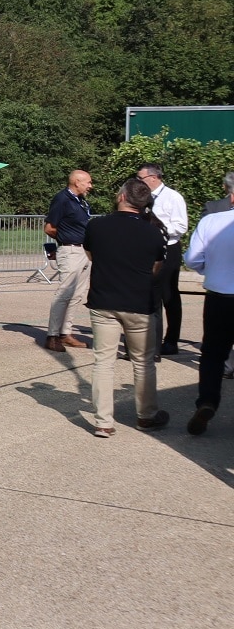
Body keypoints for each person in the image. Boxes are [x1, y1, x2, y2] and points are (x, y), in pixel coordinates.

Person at [80, 177, 169, 436]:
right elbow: (156, 268)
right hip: (139, 303)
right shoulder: (154, 231)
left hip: (104, 300)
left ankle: (103, 421)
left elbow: (91, 255)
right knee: (143, 362)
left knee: (103, 362)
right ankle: (147, 415)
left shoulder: (96, 226)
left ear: (121, 197)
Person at [184, 196, 234, 434]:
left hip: (219, 296)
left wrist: (210, 269)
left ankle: (207, 402)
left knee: (213, 355)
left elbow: (192, 258)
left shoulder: (211, 221)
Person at [135, 162, 188, 355]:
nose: (138, 182)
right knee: (149, 294)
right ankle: (150, 340)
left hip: (169, 249)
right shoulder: (141, 197)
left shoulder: (173, 197)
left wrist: (158, 232)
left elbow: (181, 226)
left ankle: (171, 340)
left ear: (154, 177)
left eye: (141, 178)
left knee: (168, 294)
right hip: (146, 249)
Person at [44, 169, 94, 352]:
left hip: (83, 251)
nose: (90, 186)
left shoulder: (80, 201)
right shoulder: (62, 199)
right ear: (77, 182)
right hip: (70, 250)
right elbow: (49, 227)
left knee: (77, 295)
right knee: (64, 294)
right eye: (88, 182)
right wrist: (66, 236)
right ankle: (52, 335)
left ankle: (66, 333)